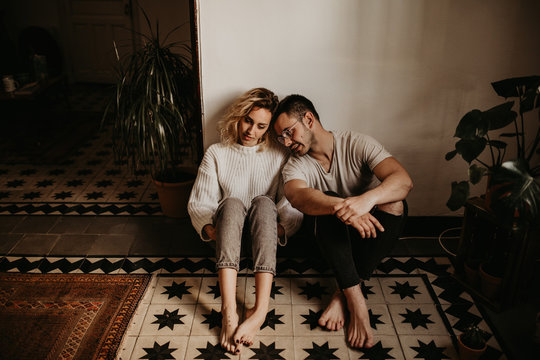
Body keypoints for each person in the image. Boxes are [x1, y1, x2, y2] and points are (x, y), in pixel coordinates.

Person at [271, 94, 413, 349]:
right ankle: (357, 301)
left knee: (395, 202)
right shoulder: (295, 164)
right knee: (327, 202)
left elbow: (403, 180)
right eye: (282, 138)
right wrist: (343, 206)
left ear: (309, 119)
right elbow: (297, 196)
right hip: (324, 241)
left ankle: (342, 292)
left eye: (289, 133)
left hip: (365, 235)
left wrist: (367, 201)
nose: (287, 142)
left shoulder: (357, 143)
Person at [188, 88, 302, 354]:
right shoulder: (216, 153)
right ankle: (229, 310)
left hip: (264, 239)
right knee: (232, 202)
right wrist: (209, 228)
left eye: (261, 125)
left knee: (264, 202)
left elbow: (290, 202)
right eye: (247, 121)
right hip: (227, 239)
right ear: (238, 118)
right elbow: (200, 202)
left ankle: (260, 309)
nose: (251, 130)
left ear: (268, 128)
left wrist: (283, 227)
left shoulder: (279, 154)